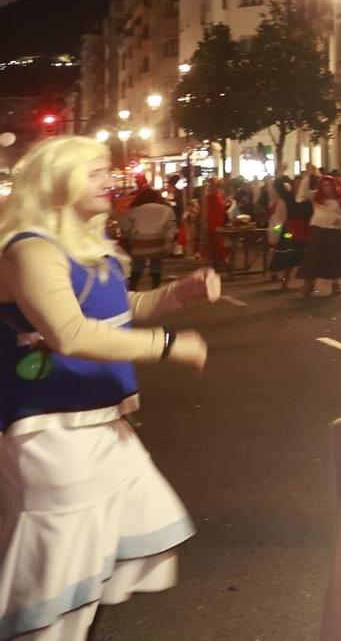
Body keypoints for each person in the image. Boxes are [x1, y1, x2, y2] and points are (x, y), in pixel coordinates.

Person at [0, 136, 216, 638]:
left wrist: (178, 294)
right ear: (57, 180)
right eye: (93, 171)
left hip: (101, 427)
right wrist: (168, 345)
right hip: (51, 432)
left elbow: (118, 309)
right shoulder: (29, 248)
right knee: (51, 571)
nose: (109, 179)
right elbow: (69, 334)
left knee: (92, 558)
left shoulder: (85, 243)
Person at [298, 172, 341, 297]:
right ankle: (309, 284)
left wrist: (340, 218)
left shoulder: (340, 197)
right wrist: (307, 176)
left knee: (335, 257)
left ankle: (335, 284)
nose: (326, 187)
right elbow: (303, 192)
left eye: (328, 185)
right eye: (324, 185)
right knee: (313, 257)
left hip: (334, 230)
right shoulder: (316, 196)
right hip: (318, 229)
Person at [121, 185, 175, 291]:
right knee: (156, 262)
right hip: (158, 242)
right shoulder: (167, 210)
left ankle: (133, 285)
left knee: (138, 262)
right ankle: (155, 286)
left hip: (140, 243)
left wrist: (128, 238)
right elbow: (171, 228)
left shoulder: (135, 210)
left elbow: (124, 226)